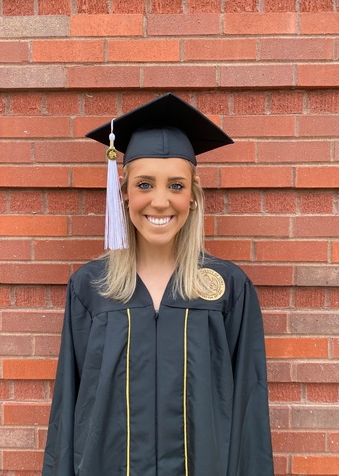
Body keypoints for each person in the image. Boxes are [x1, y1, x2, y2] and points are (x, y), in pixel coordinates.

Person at [42, 93, 274, 476]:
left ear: (194, 197)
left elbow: (250, 412)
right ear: (125, 193)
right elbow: (67, 410)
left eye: (177, 186)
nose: (161, 201)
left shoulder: (227, 289)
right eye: (145, 184)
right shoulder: (91, 288)